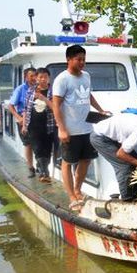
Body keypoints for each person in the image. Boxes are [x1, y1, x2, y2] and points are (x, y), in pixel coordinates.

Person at [53, 45, 108, 211]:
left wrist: (100, 110)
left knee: (86, 160)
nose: (82, 62)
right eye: (78, 59)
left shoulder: (86, 76)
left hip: (87, 128)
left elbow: (88, 95)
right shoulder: (62, 79)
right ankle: (71, 197)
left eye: (84, 59)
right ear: (68, 60)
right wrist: (61, 129)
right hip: (70, 130)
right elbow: (56, 105)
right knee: (68, 162)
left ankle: (78, 190)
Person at [8, 67, 37, 176]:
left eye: (35, 75)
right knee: (28, 143)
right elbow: (10, 105)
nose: (34, 78)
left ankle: (40, 166)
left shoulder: (38, 88)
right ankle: (30, 168)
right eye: (31, 76)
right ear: (26, 77)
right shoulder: (20, 89)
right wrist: (18, 118)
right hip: (23, 118)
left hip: (36, 118)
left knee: (38, 142)